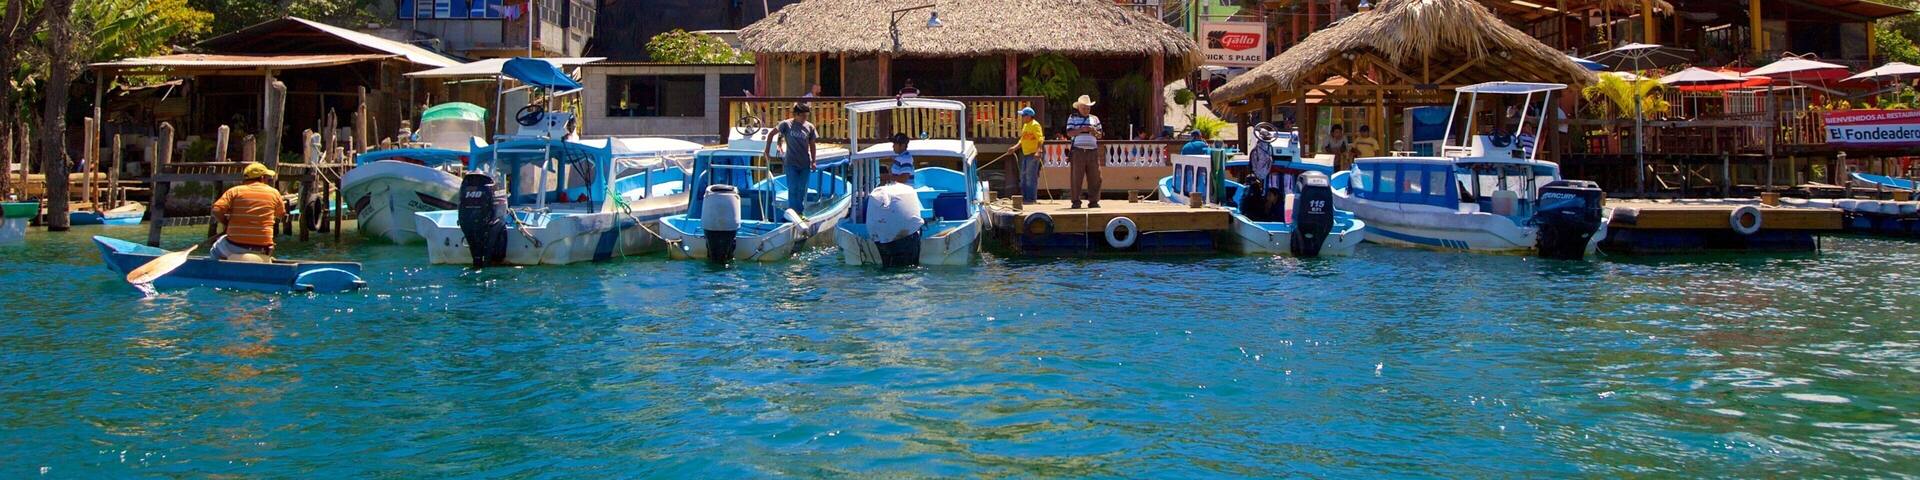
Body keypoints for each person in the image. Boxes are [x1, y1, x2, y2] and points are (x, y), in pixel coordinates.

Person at [209, 162, 287, 262]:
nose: (268, 180)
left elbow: (216, 210)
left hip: (235, 245)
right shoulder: (274, 192)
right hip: (264, 249)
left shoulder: (234, 191)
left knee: (215, 249)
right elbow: (281, 214)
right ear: (262, 177)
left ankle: (216, 274)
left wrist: (226, 222)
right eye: (268, 178)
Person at [763, 103, 818, 215]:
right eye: (803, 115)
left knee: (801, 189)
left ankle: (800, 212)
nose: (805, 118)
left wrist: (814, 161)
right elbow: (771, 134)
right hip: (791, 162)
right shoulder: (786, 124)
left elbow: (812, 144)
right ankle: (793, 212)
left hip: (804, 163)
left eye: (806, 116)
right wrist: (767, 151)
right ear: (796, 115)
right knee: (793, 188)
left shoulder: (810, 127)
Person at [1065, 94, 1103, 209]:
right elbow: (1069, 133)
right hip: (1078, 151)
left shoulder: (1095, 119)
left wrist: (1094, 132)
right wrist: (1082, 129)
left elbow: (1100, 135)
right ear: (1079, 107)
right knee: (1076, 177)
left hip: (1093, 151)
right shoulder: (1072, 117)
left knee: (1096, 177)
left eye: (1088, 108)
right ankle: (1076, 201)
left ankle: (1094, 201)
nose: (1086, 110)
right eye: (1084, 108)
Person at [1009, 107, 1044, 204]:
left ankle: (1031, 199)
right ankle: (1025, 198)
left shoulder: (1035, 125)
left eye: (1023, 115)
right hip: (1025, 154)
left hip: (1033, 154)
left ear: (1029, 116)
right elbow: (1022, 140)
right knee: (1023, 176)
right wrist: (1014, 148)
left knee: (1030, 177)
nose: (1022, 117)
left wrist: (1038, 151)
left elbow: (1040, 139)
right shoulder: (1025, 126)